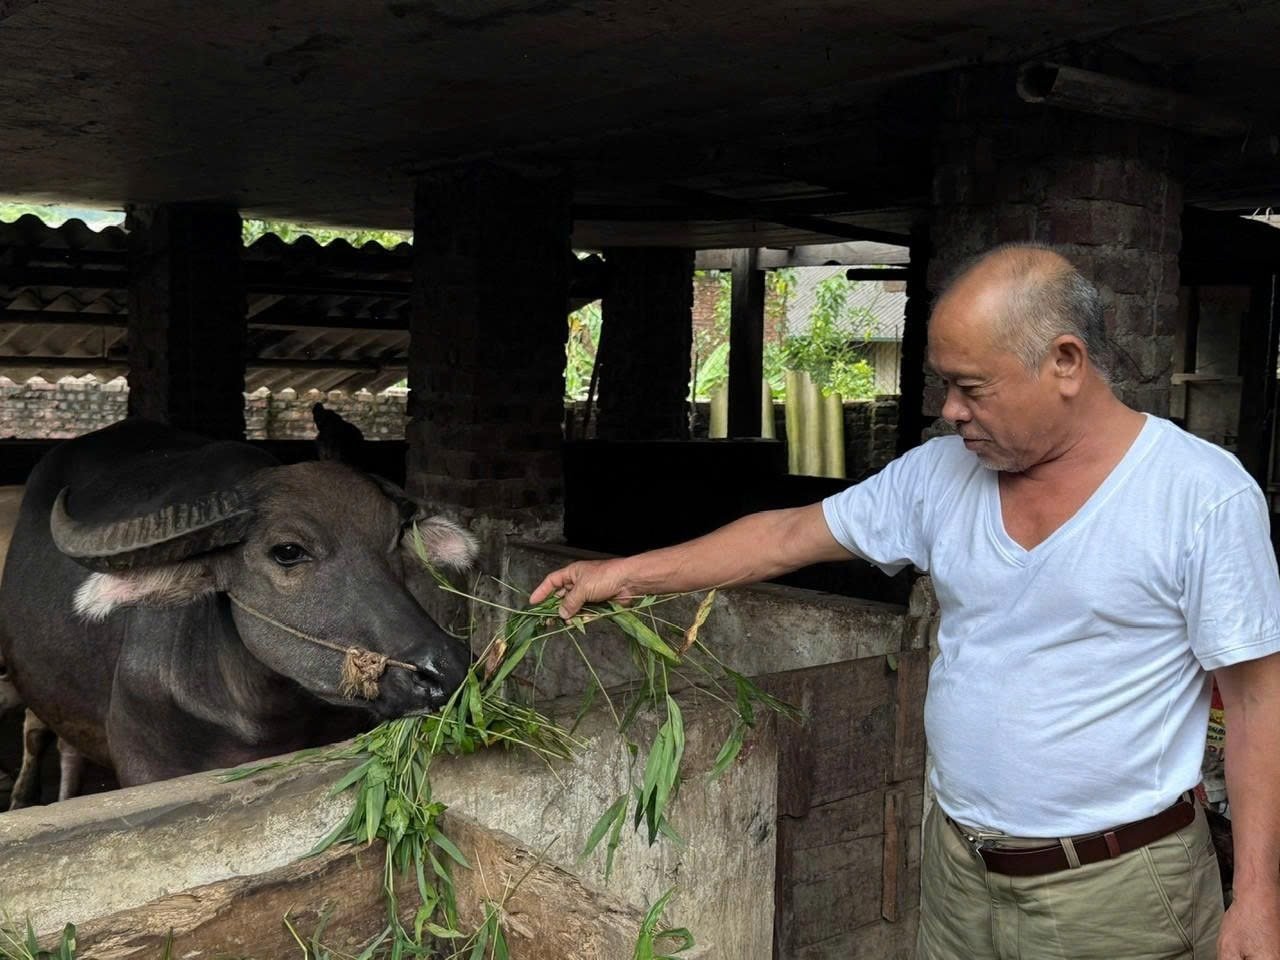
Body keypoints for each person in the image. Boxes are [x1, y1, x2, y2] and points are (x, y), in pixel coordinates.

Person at [531, 244, 1280, 960]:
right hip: (959, 868)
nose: (950, 410)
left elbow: (1255, 705)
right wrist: (625, 576)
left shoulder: (1199, 497)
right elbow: (786, 536)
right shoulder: (938, 475)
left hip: (1118, 892)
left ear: (1065, 362)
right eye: (945, 384)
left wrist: (1257, 898)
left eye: (972, 388)